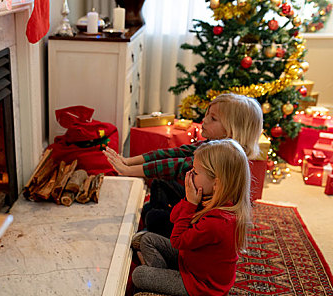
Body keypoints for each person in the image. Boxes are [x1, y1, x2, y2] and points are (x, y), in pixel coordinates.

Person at [103, 93, 262, 236]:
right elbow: (173, 153)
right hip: (193, 204)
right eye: (207, 114)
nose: (204, 120)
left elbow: (176, 166)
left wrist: (128, 171)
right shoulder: (212, 144)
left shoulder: (222, 159)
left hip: (200, 223)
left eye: (213, 118)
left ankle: (156, 237)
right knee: (158, 187)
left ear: (231, 131)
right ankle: (154, 227)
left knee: (152, 216)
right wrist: (128, 161)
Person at [130, 139, 252, 296]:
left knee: (139, 275)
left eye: (195, 172)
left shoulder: (219, 223)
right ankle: (163, 280)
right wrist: (189, 200)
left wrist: (190, 205)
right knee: (148, 239)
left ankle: (164, 291)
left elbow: (177, 241)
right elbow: (174, 218)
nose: (190, 174)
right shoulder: (211, 198)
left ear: (216, 183)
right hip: (190, 263)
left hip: (202, 287)